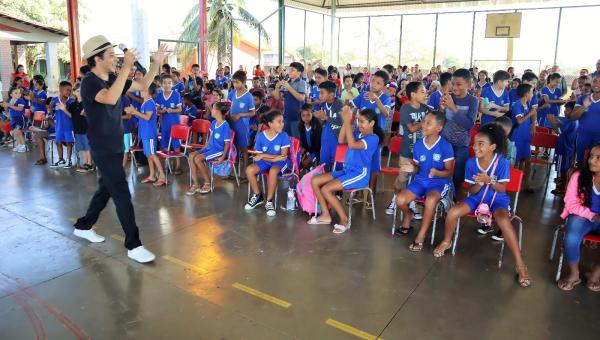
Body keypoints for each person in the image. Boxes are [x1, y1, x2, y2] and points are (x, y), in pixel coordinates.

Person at [74, 35, 167, 263]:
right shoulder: (90, 82)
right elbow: (110, 98)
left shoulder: (115, 77)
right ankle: (133, 245)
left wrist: (155, 63)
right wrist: (126, 67)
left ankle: (84, 225)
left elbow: (144, 84)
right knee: (121, 192)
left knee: (106, 188)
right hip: (102, 147)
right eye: (111, 55)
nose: (116, 58)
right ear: (96, 59)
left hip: (116, 143)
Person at [433, 123, 531, 288]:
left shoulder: (502, 163)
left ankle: (520, 264)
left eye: (481, 143)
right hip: (476, 198)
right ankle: (447, 241)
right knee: (453, 212)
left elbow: (502, 188)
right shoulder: (471, 163)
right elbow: (470, 189)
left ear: (492, 147)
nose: (475, 146)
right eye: (475, 142)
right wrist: (478, 185)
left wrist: (489, 180)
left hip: (497, 200)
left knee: (503, 220)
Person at [309, 107, 383, 233]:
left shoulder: (373, 138)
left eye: (362, 121)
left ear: (372, 123)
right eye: (358, 121)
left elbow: (353, 145)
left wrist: (348, 122)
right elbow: (341, 140)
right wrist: (345, 121)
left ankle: (344, 219)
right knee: (315, 180)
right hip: (347, 170)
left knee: (326, 189)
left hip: (360, 174)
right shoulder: (357, 134)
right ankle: (326, 215)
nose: (359, 124)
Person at [395, 111, 454, 250]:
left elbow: (449, 172)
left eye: (429, 123)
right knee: (400, 200)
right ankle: (408, 214)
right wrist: (411, 168)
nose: (424, 125)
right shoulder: (418, 145)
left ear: (438, 128)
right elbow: (416, 168)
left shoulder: (445, 146)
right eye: (424, 121)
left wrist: (437, 172)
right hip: (421, 180)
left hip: (439, 182)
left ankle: (421, 235)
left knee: (431, 200)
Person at [557, 143, 600, 291]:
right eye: (591, 156)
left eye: (598, 158)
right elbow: (570, 204)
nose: (591, 160)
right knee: (571, 237)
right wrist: (593, 216)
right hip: (584, 216)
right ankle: (574, 274)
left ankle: (596, 273)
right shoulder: (579, 176)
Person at [385, 81, 429, 216]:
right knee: (402, 177)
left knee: (417, 178)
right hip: (407, 150)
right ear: (413, 94)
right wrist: (425, 122)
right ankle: (395, 199)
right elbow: (411, 128)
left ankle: (412, 203)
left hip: (421, 152)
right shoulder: (405, 109)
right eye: (422, 91)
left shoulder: (426, 108)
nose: (426, 94)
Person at [244, 110, 291, 217]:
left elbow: (283, 157)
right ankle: (258, 195)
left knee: (273, 171)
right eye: (279, 122)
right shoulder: (261, 136)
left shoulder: (284, 135)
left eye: (282, 121)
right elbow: (258, 156)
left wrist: (266, 157)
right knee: (249, 170)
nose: (282, 124)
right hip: (267, 161)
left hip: (281, 163)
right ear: (270, 124)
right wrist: (272, 158)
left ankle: (269, 201)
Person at [440, 69, 479, 196]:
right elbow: (440, 121)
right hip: (444, 142)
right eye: (453, 83)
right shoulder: (448, 97)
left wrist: (453, 108)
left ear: (469, 84)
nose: (454, 87)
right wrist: (441, 109)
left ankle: (454, 198)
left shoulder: (473, 101)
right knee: (442, 170)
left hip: (462, 144)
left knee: (458, 174)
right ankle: (441, 196)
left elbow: (468, 125)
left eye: (459, 84)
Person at [351, 70, 392, 189]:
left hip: (375, 136)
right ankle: (358, 192)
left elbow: (385, 114)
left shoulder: (385, 98)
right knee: (359, 161)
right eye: (373, 81)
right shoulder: (363, 94)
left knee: (374, 164)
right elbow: (353, 109)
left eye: (378, 83)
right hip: (360, 134)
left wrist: (376, 100)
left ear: (383, 86)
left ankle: (370, 193)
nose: (374, 84)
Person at [187, 102, 232, 195]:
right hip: (210, 148)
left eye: (213, 108)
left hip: (218, 151)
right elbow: (211, 137)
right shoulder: (214, 122)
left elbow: (227, 144)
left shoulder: (225, 126)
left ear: (218, 111)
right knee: (191, 155)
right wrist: (204, 147)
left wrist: (223, 157)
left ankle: (208, 183)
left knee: (198, 159)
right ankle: (196, 184)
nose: (211, 110)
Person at [126, 83, 165, 187]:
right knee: (148, 154)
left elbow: (147, 117)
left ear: (148, 92)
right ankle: (152, 175)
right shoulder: (145, 103)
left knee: (152, 154)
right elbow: (142, 117)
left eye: (143, 90)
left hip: (150, 133)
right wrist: (133, 112)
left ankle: (162, 176)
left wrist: (135, 111)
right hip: (144, 133)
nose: (140, 92)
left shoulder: (150, 103)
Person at [230, 70, 256, 182]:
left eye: (237, 82)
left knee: (244, 150)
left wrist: (240, 115)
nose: (235, 85)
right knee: (234, 148)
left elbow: (253, 113)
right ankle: (233, 171)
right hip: (232, 125)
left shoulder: (248, 96)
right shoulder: (232, 93)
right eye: (233, 82)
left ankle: (245, 174)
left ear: (244, 82)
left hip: (243, 127)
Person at [548, 101, 578, 196]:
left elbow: (558, 131)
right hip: (568, 149)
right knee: (564, 168)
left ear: (574, 111)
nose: (565, 112)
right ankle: (563, 184)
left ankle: (563, 188)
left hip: (563, 149)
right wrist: (557, 121)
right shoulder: (573, 120)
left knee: (562, 169)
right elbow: (562, 122)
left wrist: (553, 123)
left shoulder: (571, 122)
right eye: (565, 110)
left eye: (567, 110)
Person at [510, 83, 536, 192]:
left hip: (525, 137)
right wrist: (530, 114)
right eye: (531, 92)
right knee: (515, 162)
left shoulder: (527, 104)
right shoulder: (517, 104)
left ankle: (526, 183)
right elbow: (519, 120)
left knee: (527, 161)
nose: (532, 94)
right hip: (517, 137)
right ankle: (512, 184)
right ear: (526, 94)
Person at [156, 74, 183, 174]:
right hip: (165, 123)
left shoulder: (176, 95)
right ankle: (167, 165)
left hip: (174, 122)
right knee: (164, 144)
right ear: (161, 84)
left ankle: (178, 166)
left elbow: (180, 109)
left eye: (169, 83)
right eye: (165, 83)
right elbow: (157, 109)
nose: (167, 85)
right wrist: (161, 111)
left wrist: (172, 110)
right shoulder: (159, 96)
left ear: (172, 84)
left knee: (176, 144)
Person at [316, 81, 344, 171]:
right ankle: (323, 183)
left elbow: (342, 122)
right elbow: (323, 123)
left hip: (337, 140)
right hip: (325, 140)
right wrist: (320, 118)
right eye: (319, 92)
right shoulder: (322, 105)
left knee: (337, 167)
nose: (319, 95)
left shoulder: (340, 104)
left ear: (331, 94)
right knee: (324, 166)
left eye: (322, 93)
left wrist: (326, 117)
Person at [571, 76, 600, 164]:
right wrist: (584, 106)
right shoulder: (583, 98)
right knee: (581, 163)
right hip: (583, 137)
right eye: (595, 81)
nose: (597, 84)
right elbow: (573, 117)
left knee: (596, 165)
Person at [276, 62, 306, 139]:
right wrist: (277, 88)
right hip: (286, 116)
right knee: (286, 139)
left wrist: (289, 87)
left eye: (292, 70)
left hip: (297, 117)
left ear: (299, 72)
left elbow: (301, 98)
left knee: (296, 140)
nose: (289, 72)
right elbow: (278, 98)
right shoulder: (287, 82)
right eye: (289, 70)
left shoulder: (302, 83)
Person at [69, 84, 94, 173]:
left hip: (86, 128)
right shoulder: (72, 104)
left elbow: (93, 115)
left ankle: (89, 164)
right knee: (81, 147)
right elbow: (71, 116)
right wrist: (64, 109)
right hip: (77, 128)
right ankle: (85, 163)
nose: (79, 93)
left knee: (87, 147)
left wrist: (86, 114)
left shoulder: (87, 103)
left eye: (80, 91)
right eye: (77, 91)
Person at [49, 81, 75, 168]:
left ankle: (69, 160)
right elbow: (51, 114)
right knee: (58, 143)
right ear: (60, 89)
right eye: (67, 90)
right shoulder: (54, 100)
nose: (69, 92)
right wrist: (50, 108)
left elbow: (73, 115)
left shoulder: (72, 101)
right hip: (59, 126)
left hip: (69, 126)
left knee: (69, 143)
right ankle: (61, 159)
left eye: (70, 90)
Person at [0, 88, 26, 152]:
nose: (18, 94)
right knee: (14, 132)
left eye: (19, 93)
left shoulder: (21, 100)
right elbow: (7, 109)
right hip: (13, 118)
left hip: (19, 118)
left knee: (18, 132)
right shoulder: (10, 100)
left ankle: (23, 146)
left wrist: (9, 105)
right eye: (16, 93)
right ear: (11, 94)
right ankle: (19, 145)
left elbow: (20, 109)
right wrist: (5, 106)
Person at [297, 103, 321, 171]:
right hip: (307, 151)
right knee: (297, 161)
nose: (305, 118)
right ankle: (302, 178)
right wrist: (303, 149)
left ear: (312, 114)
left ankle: (312, 174)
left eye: (308, 115)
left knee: (304, 163)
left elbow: (318, 145)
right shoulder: (301, 127)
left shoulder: (317, 126)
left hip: (316, 152)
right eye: (303, 116)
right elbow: (303, 142)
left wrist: (309, 154)